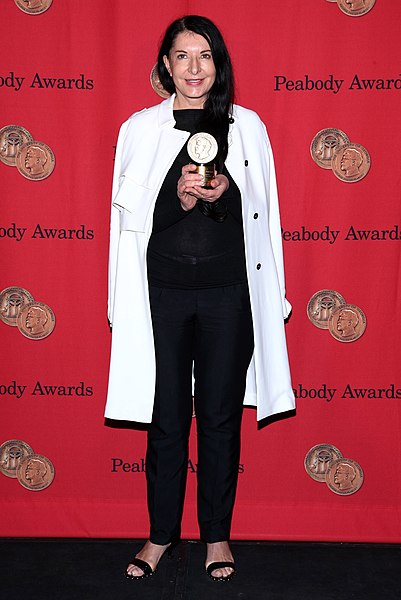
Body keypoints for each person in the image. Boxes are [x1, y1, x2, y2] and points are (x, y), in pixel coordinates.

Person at [104, 15, 295, 582]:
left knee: (217, 420)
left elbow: (265, 219)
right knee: (165, 422)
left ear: (219, 64)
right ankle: (160, 535)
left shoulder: (249, 127)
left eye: (204, 56)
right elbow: (128, 224)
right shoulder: (138, 129)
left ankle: (216, 536)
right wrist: (180, 201)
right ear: (165, 64)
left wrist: (223, 191)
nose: (193, 68)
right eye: (182, 56)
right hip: (160, 297)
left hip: (226, 296)